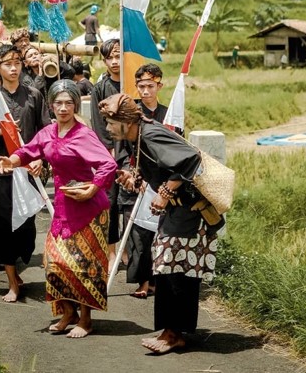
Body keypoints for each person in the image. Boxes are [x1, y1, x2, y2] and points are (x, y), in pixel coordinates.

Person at [99, 93, 224, 355]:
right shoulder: (137, 138)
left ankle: (174, 334)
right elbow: (161, 167)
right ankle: (171, 331)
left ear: (126, 122)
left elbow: (191, 159)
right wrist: (134, 178)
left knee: (174, 271)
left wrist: (165, 192)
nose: (108, 128)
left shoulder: (151, 134)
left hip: (190, 213)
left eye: (111, 122)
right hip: (177, 213)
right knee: (168, 270)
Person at [0, 80, 117, 338]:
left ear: (75, 105)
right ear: (50, 105)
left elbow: (108, 164)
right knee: (54, 262)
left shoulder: (83, 135)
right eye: (58, 103)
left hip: (89, 209)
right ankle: (68, 312)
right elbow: (28, 151)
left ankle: (86, 319)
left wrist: (92, 188)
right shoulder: (48, 132)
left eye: (68, 103)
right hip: (63, 205)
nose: (63, 108)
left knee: (84, 264)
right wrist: (11, 161)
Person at [0, 44, 50, 301]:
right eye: (8, 64)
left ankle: (16, 266)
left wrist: (40, 158)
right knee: (3, 227)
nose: (14, 68)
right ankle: (12, 281)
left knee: (26, 228)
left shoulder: (34, 96)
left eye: (17, 63)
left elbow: (45, 132)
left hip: (27, 171)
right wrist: (0, 132)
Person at [118, 64, 167, 299]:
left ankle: (158, 279)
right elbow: (121, 149)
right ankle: (143, 281)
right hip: (136, 181)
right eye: (141, 86)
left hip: (161, 183)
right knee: (138, 235)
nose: (145, 91)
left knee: (160, 232)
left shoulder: (169, 114)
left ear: (159, 86)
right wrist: (131, 174)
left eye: (150, 86)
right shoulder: (131, 113)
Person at [90, 39, 121, 269]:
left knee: (129, 202)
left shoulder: (133, 83)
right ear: (104, 60)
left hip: (133, 150)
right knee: (110, 202)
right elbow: (98, 123)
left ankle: (128, 250)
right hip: (110, 152)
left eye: (118, 56)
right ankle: (111, 251)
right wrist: (108, 149)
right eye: (110, 57)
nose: (115, 62)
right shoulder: (100, 88)